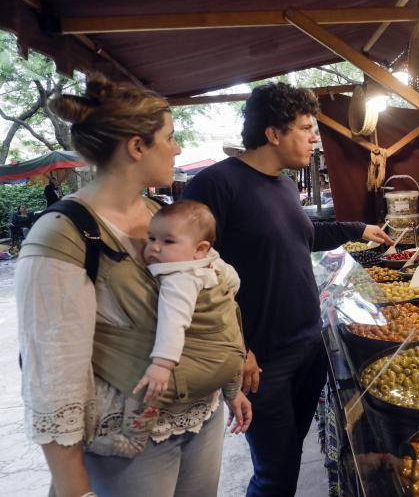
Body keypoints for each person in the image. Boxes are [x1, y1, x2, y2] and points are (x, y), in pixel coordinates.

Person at [16, 75, 250, 497]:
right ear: (137, 147)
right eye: (170, 137)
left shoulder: (161, 213)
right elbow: (52, 376)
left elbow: (213, 295)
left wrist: (233, 371)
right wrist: (74, 488)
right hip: (130, 438)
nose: (177, 148)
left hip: (203, 412)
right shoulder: (63, 235)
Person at [184, 82, 393, 496]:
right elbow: (192, 277)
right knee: (274, 475)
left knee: (290, 456)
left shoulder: (281, 183)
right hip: (262, 363)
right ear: (273, 134)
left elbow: (299, 235)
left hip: (307, 346)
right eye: (305, 128)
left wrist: (358, 230)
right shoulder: (215, 185)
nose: (314, 138)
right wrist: (237, 349)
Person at [132, 200, 248, 427]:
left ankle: (136, 429)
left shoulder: (178, 280)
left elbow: (172, 324)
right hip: (232, 350)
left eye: (168, 241)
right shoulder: (210, 262)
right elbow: (234, 280)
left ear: (199, 249)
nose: (155, 247)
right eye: (151, 238)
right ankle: (233, 390)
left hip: (200, 368)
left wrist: (162, 365)